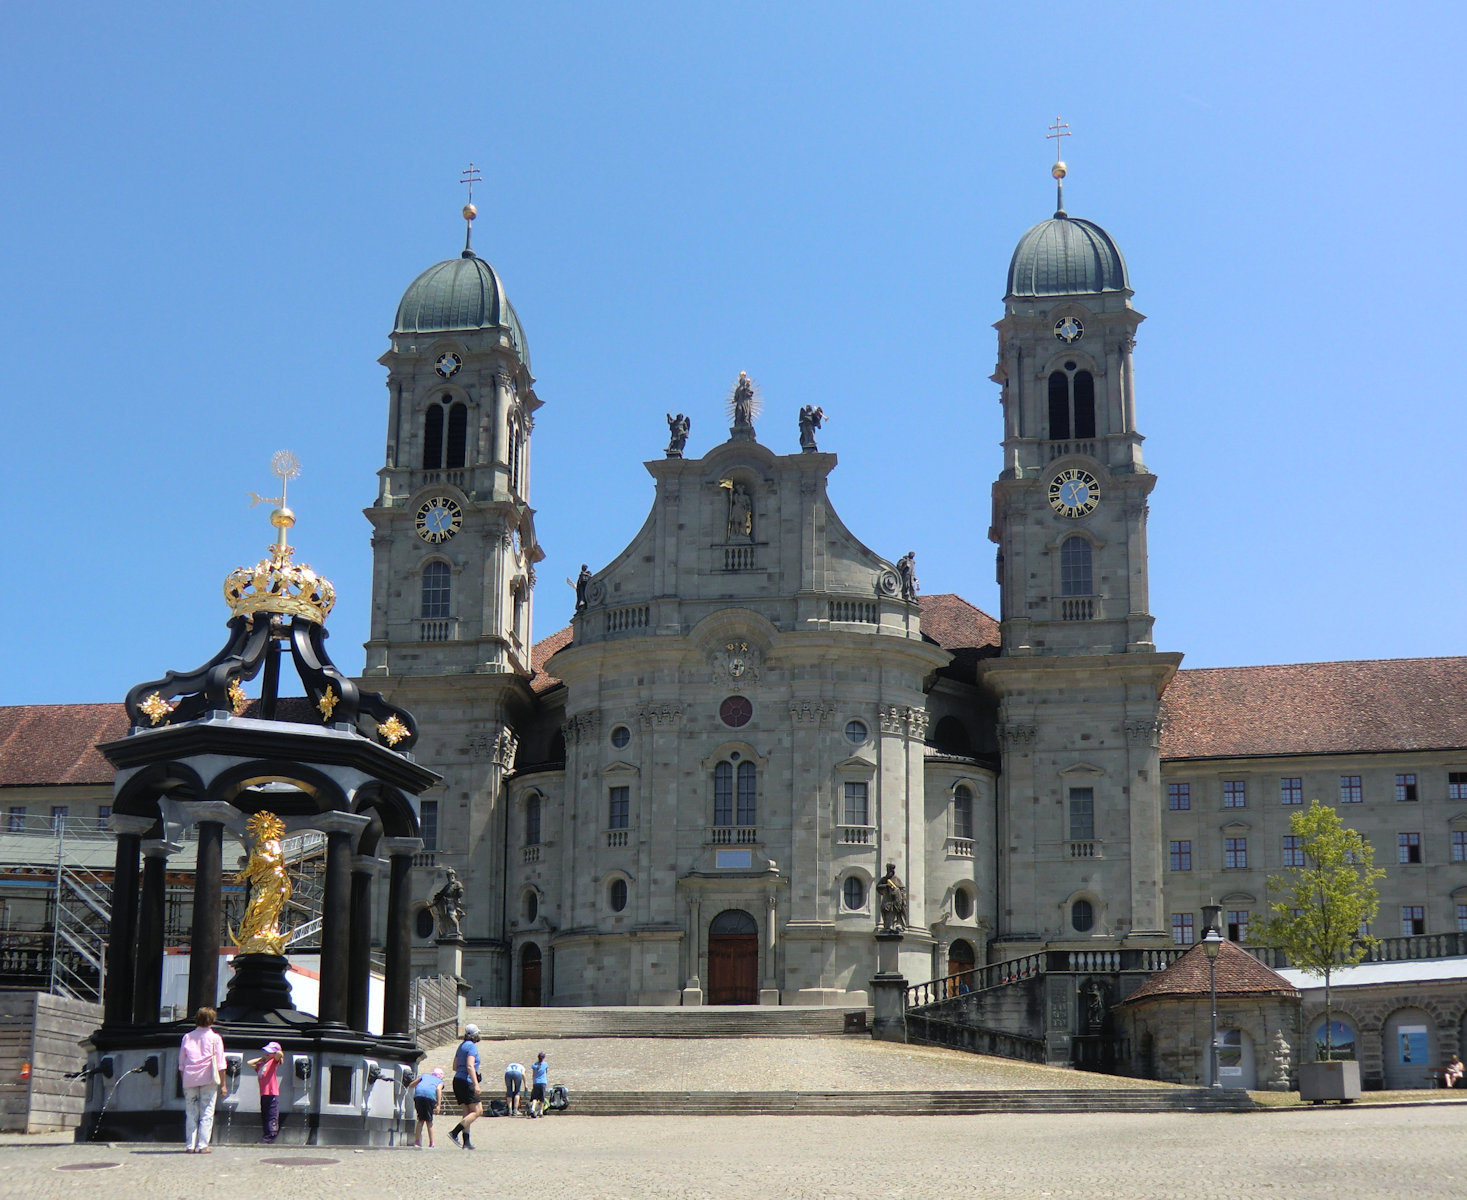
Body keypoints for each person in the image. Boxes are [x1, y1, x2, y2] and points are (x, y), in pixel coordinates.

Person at [178, 1006, 226, 1154]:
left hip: (190, 1078)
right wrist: (223, 1085)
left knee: (191, 1112)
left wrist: (184, 1080)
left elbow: (181, 1064)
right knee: (206, 1111)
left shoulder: (187, 1037)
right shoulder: (215, 1038)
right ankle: (202, 1145)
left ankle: (189, 1145)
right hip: (209, 1079)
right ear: (212, 1020)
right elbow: (220, 1064)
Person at [447, 1024, 483, 1149]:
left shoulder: (461, 1046)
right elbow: (470, 1066)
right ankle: (454, 1132)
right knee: (478, 1111)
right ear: (474, 1035)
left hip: (457, 1080)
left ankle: (466, 1142)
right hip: (466, 1081)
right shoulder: (472, 1047)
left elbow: (454, 1067)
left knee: (466, 1111)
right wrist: (476, 1083)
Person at [245, 1040, 284, 1144]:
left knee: (271, 1115)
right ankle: (266, 1135)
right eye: (266, 1051)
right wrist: (263, 1058)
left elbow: (280, 1054)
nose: (266, 1054)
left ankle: (270, 1136)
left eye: (269, 1052)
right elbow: (249, 1063)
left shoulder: (273, 1062)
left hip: (272, 1093)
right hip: (264, 1094)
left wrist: (275, 1054)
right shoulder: (262, 1065)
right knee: (265, 1115)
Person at [413, 1067, 445, 1148]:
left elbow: (413, 1084)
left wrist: (409, 1086)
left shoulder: (424, 1075)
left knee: (420, 1119)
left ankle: (417, 1142)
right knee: (429, 1120)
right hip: (429, 1097)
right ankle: (432, 1142)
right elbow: (438, 1089)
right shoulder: (440, 1081)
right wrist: (438, 1105)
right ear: (440, 1076)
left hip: (418, 1095)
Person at [528, 1051, 549, 1118]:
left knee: (535, 1097)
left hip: (536, 1082)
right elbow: (546, 1072)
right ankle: (541, 1112)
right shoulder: (545, 1064)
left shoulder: (534, 1065)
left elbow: (533, 1075)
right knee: (542, 1098)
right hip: (543, 1082)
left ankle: (533, 1109)